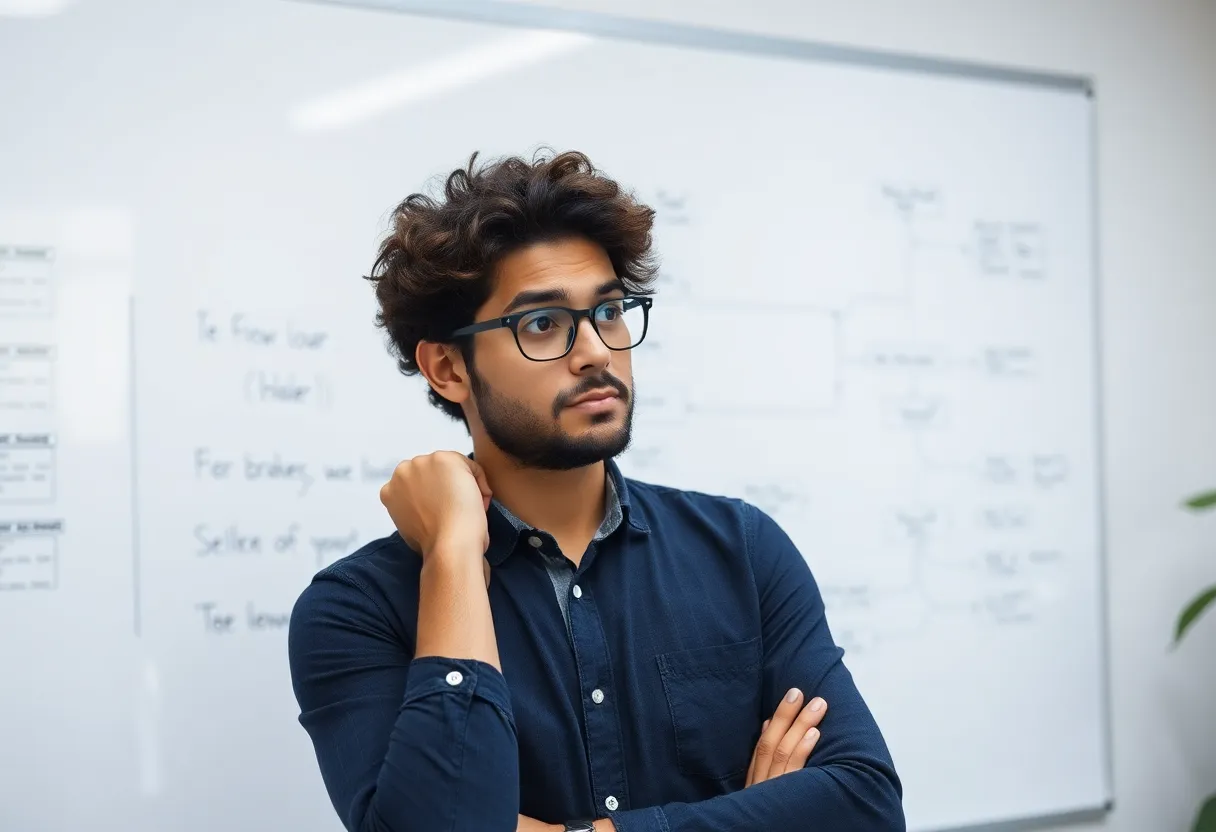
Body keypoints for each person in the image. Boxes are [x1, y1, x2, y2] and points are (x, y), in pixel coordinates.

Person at [287, 149, 905, 832]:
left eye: (609, 310)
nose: (597, 352)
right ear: (448, 369)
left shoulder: (743, 550)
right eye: (542, 324)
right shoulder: (357, 609)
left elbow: (864, 804)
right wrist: (456, 555)